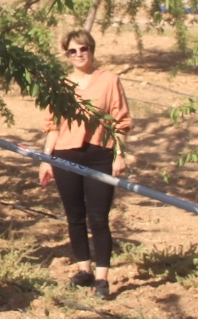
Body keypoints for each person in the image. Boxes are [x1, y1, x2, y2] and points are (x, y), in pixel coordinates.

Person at [38, 30, 131, 294]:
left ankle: (102, 278)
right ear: (66, 54)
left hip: (99, 154)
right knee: (75, 217)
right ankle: (84, 271)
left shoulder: (109, 80)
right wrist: (46, 160)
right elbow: (53, 126)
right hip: (65, 155)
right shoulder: (60, 85)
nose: (79, 55)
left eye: (83, 49)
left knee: (99, 218)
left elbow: (121, 121)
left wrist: (119, 154)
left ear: (92, 50)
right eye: (72, 51)